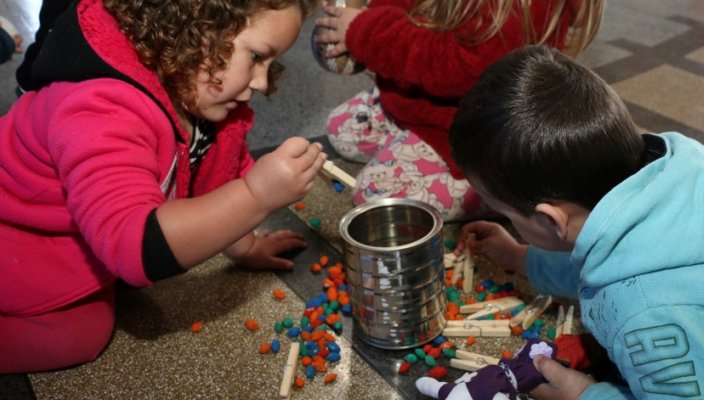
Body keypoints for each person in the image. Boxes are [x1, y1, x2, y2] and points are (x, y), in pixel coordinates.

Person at [449, 45, 704, 399]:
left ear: (551, 220)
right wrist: (522, 257)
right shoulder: (671, 174)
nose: (505, 218)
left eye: (506, 212)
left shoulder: (650, 308)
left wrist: (585, 394)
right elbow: (602, 257)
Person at [0, 0, 323, 373]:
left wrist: (245, 244)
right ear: (199, 26)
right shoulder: (99, 105)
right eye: (255, 57)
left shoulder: (203, 101)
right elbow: (136, 246)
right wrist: (255, 196)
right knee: (78, 335)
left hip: (72, 244)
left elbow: (216, 179)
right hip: (14, 243)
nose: (262, 82)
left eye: (271, 64)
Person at [314, 0, 604, 221]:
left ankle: (500, 190)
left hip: (477, 133)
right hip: (426, 107)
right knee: (342, 128)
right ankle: (410, 140)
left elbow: (451, 69)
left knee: (374, 193)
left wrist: (365, 30)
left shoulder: (521, 8)